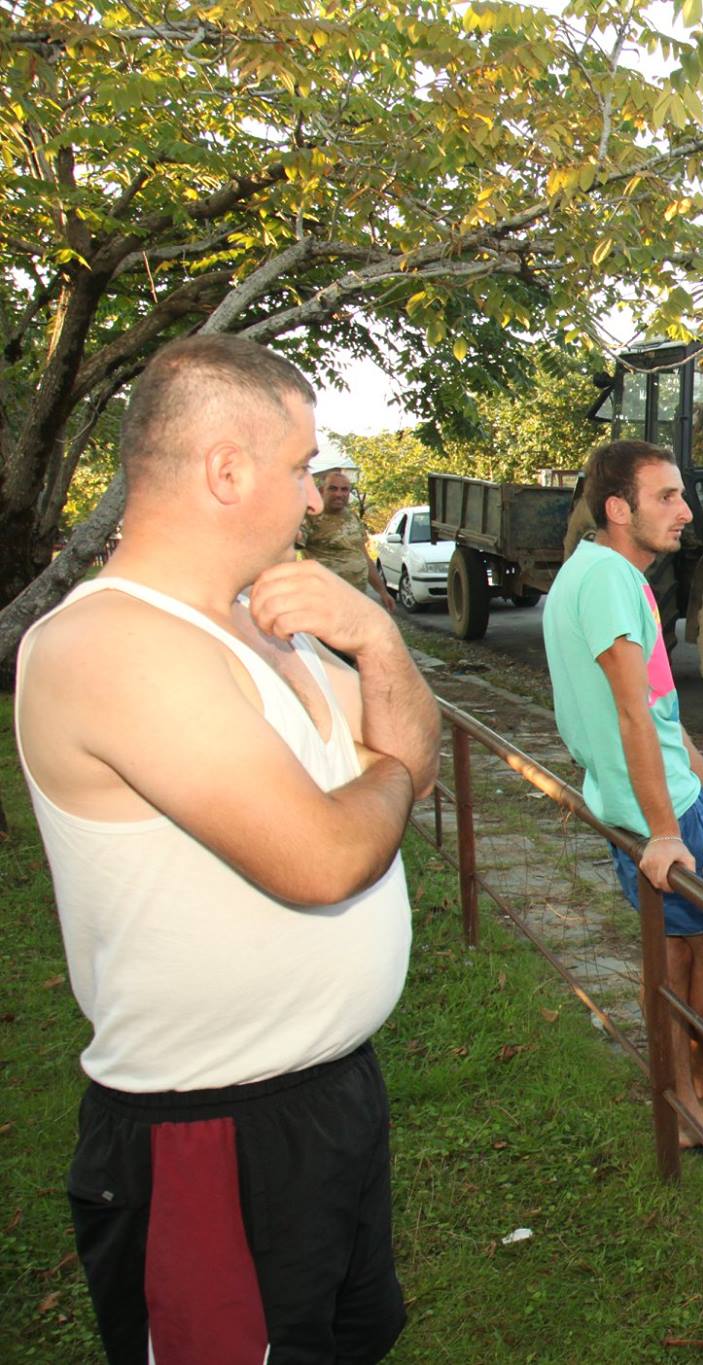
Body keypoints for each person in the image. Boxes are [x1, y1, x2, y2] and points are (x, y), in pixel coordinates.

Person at [14, 334, 441, 1364]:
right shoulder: (113, 645)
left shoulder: (262, 625)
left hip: (326, 1099)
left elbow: (413, 760)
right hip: (208, 1132)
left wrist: (378, 643)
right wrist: (380, 776)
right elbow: (329, 856)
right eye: (300, 467)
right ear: (225, 469)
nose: (312, 497)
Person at [542, 439, 703, 1156]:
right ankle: (684, 1100)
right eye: (666, 497)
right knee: (696, 956)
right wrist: (668, 829)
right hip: (657, 811)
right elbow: (630, 714)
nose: (685, 509)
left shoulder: (602, 573)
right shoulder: (610, 579)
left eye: (681, 493)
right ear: (619, 509)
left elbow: (660, 710)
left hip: (668, 797)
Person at [299, 450, 397, 610]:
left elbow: (364, 556)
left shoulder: (352, 516)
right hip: (324, 602)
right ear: (322, 491)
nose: (339, 494)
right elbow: (288, 554)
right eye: (333, 488)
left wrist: (382, 591)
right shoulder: (310, 516)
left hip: (356, 599)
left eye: (344, 490)